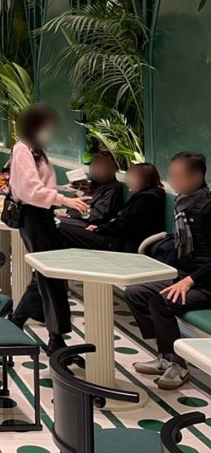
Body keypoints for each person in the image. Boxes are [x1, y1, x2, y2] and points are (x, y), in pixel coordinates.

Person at [125, 151, 211, 390]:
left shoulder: (207, 208)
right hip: (188, 277)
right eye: (170, 174)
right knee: (135, 293)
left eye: (177, 175)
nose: (172, 180)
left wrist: (190, 280)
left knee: (160, 301)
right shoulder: (184, 203)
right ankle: (166, 355)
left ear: (196, 176)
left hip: (205, 283)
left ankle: (178, 366)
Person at [8, 103, 89, 354]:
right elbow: (29, 190)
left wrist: (66, 190)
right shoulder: (22, 149)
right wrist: (64, 200)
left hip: (42, 217)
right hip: (33, 218)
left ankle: (17, 321)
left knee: (44, 273)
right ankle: (56, 338)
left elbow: (41, 185)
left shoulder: (37, 149)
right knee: (50, 276)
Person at [62, 161, 165, 253]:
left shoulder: (147, 199)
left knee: (62, 228)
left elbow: (126, 224)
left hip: (117, 244)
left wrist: (100, 229)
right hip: (112, 236)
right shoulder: (145, 196)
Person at [57, 151, 125, 247]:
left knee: (56, 224)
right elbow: (77, 207)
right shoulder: (91, 184)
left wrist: (71, 215)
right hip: (78, 221)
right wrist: (77, 193)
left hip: (92, 227)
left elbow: (98, 215)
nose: (97, 170)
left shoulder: (113, 187)